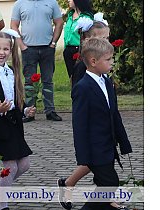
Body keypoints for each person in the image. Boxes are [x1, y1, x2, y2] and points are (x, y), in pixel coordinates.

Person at [70, 37, 132, 210]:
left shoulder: (106, 81)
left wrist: (123, 142)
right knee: (109, 183)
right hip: (94, 147)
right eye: (108, 59)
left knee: (105, 186)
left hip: (108, 145)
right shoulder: (83, 87)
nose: (112, 62)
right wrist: (82, 155)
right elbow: (79, 125)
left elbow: (114, 114)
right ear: (93, 61)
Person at [0, 28, 36, 210]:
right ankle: (1, 205)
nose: (1, 53)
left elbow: (14, 97)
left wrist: (25, 110)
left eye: (5, 49)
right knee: (10, 168)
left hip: (13, 123)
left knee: (25, 164)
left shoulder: (11, 70)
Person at [11, 0, 64, 122]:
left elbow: (59, 22)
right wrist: (21, 45)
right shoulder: (19, 3)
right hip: (28, 48)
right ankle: (30, 111)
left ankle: (50, 111)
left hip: (47, 48)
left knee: (48, 80)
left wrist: (53, 43)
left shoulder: (52, 2)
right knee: (29, 82)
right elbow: (14, 25)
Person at [71, 13, 110, 87]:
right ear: (87, 40)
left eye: (107, 38)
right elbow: (78, 92)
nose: (106, 42)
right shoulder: (82, 67)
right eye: (101, 39)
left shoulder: (106, 62)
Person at [63, 0, 93, 80]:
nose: (68, 0)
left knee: (79, 75)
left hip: (79, 49)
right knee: (72, 76)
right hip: (68, 49)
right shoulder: (70, 16)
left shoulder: (85, 17)